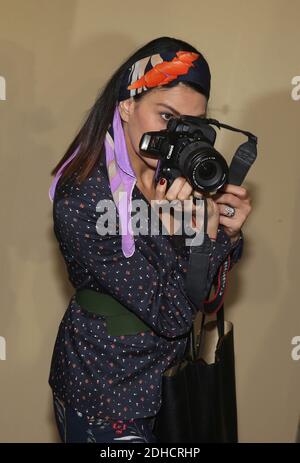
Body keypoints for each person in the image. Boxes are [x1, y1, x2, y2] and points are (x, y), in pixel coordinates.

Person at [48, 36, 251, 443]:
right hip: (108, 389)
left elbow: (207, 287)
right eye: (166, 116)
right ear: (127, 105)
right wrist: (197, 235)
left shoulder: (174, 173)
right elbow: (173, 314)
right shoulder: (83, 197)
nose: (178, 135)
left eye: (191, 124)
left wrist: (226, 233)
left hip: (173, 382)